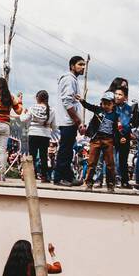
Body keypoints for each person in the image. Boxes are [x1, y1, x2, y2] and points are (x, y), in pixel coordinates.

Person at [52, 56, 88, 185]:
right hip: (68, 121)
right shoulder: (69, 79)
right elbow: (67, 102)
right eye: (80, 64)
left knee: (68, 151)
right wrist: (78, 121)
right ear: (72, 66)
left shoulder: (72, 80)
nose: (83, 67)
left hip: (69, 121)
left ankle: (68, 176)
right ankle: (58, 178)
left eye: (84, 65)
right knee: (65, 151)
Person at [79, 95, 121, 192]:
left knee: (110, 163)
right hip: (96, 139)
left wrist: (120, 138)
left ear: (113, 104)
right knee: (92, 162)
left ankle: (110, 184)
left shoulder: (115, 116)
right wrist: (82, 101)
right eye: (104, 103)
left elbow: (116, 129)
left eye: (108, 104)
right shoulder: (98, 110)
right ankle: (89, 183)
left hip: (108, 140)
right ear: (101, 103)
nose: (105, 106)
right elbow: (88, 106)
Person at [26, 90, 54, 182]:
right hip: (45, 135)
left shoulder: (32, 108)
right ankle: (44, 177)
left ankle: (30, 176)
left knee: (32, 156)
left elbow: (24, 119)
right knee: (43, 157)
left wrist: (23, 112)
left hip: (33, 133)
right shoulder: (51, 110)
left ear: (38, 98)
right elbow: (54, 126)